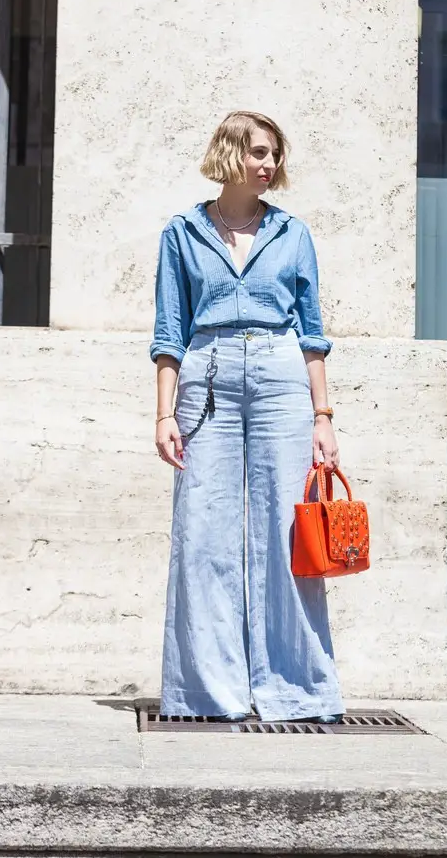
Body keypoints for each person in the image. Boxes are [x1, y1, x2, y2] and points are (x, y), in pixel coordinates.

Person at [150, 110, 344, 723]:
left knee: (287, 535)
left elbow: (312, 333)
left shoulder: (293, 233)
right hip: (205, 377)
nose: (270, 166)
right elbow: (169, 332)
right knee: (202, 534)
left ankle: (297, 689)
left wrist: (323, 416)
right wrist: (163, 413)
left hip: (282, 378)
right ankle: (209, 691)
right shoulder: (182, 233)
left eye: (274, 156)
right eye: (259, 153)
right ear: (231, 154)